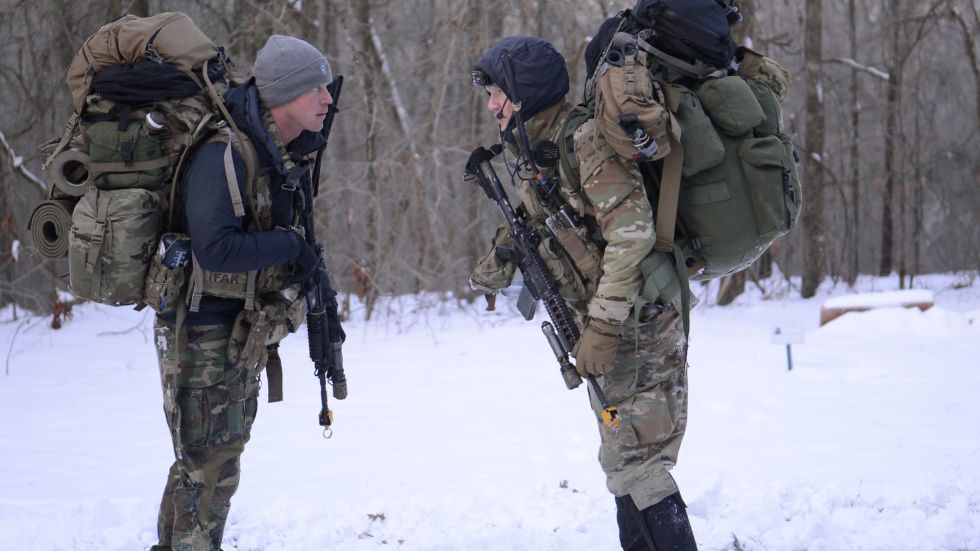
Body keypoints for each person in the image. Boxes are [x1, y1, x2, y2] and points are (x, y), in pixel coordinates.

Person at [468, 36, 698, 550]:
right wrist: (498, 261)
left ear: (523, 93)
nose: (490, 104)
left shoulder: (585, 142)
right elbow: (542, 218)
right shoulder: (535, 148)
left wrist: (602, 325)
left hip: (638, 328)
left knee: (642, 464)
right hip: (610, 332)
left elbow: (632, 232)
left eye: (497, 92)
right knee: (622, 461)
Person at [150, 34, 342, 551]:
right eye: (316, 90)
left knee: (204, 463)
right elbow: (215, 250)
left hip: (227, 335)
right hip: (203, 333)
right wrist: (288, 246)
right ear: (284, 95)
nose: (328, 99)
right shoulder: (226, 152)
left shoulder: (270, 149)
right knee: (210, 469)